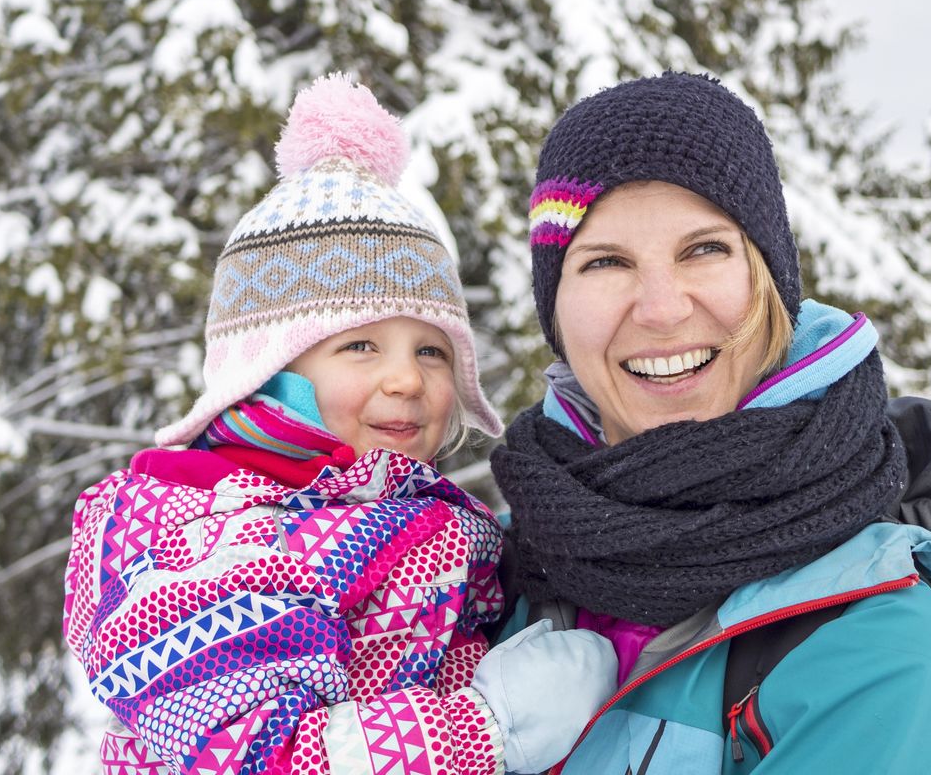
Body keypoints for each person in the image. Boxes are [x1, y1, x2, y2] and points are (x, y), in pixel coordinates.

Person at [490, 72, 931, 774]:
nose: (662, 308)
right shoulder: (501, 568)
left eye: (703, 248)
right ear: (556, 310)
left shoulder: (873, 644)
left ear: (767, 280)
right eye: (606, 261)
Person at [63, 74, 616, 775]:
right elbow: (251, 757)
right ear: (267, 368)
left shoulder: (411, 513)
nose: (407, 379)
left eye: (432, 351)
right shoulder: (204, 534)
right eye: (360, 346)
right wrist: (487, 728)